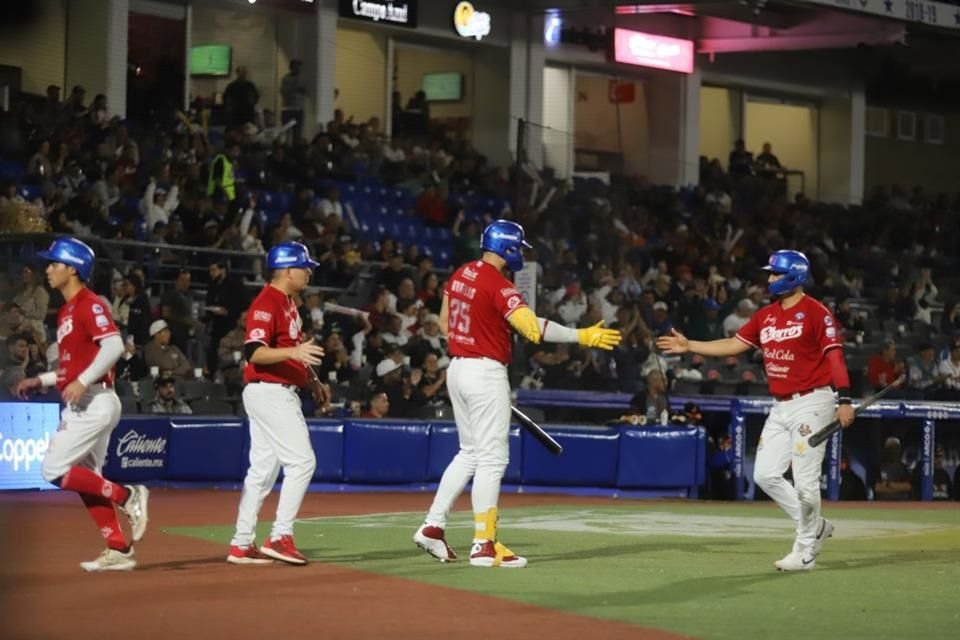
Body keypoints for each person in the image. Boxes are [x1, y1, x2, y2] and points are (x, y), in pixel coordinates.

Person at [412, 220, 621, 569]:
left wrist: (481, 330)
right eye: (519, 248)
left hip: (458, 368)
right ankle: (483, 545)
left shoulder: (462, 273)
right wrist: (580, 336)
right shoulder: (499, 284)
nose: (520, 254)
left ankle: (433, 526)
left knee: (469, 454)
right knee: (492, 459)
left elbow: (446, 323)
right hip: (485, 371)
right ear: (508, 247)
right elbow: (530, 328)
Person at [657, 250, 854, 571]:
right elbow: (735, 344)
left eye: (776, 274)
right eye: (771, 274)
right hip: (781, 404)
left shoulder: (817, 313)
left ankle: (805, 550)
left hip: (813, 402)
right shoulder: (767, 315)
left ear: (794, 276)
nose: (771, 279)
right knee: (765, 474)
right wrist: (690, 345)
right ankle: (816, 527)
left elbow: (835, 357)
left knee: (805, 481)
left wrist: (844, 400)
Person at [14, 238, 149, 572]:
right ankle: (118, 548)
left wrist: (83, 381)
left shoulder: (90, 303)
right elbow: (68, 370)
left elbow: (115, 345)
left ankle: (127, 495)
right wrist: (42, 380)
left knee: (53, 470)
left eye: (53, 263)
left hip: (96, 400)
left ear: (72, 268)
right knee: (86, 477)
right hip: (88, 399)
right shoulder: (66, 311)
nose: (47, 269)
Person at [227, 241, 329, 566]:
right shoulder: (267, 301)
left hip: (273, 390)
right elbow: (253, 351)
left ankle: (242, 542)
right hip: (270, 391)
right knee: (302, 462)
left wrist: (311, 378)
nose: (309, 271)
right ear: (287, 270)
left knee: (262, 472)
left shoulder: (288, 302)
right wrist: (294, 354)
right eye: (304, 266)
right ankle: (280, 536)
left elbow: (293, 347)